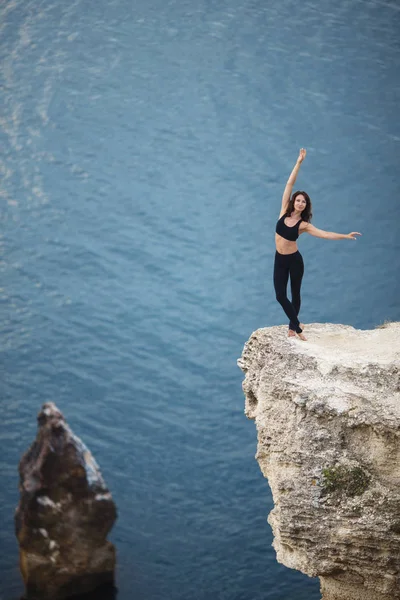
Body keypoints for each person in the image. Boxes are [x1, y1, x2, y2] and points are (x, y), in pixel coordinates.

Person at [274, 148, 361, 341]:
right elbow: (290, 183)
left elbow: (325, 234)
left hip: (294, 261)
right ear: (293, 201)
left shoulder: (303, 225)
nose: (300, 203)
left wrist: (345, 236)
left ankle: (293, 327)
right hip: (279, 259)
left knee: (295, 294)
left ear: (306, 205)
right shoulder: (283, 211)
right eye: (298, 200)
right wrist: (299, 162)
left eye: (303, 202)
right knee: (280, 296)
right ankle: (297, 326)